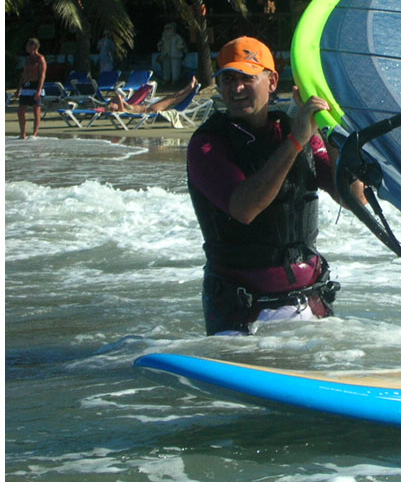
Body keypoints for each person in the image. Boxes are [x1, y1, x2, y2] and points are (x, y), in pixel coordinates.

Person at [186, 36, 364, 335]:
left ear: (271, 82)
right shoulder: (208, 145)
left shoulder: (296, 131)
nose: (236, 88)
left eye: (247, 78)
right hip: (242, 309)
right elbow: (245, 208)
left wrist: (330, 131)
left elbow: (354, 200)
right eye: (228, 79)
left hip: (309, 300)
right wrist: (295, 141)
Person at [106, 76, 197, 113]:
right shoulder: (121, 110)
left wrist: (112, 101)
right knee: (172, 100)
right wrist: (115, 101)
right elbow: (119, 97)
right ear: (113, 108)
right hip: (151, 109)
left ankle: (188, 88)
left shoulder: (125, 106)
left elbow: (119, 99)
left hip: (150, 106)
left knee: (170, 97)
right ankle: (190, 90)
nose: (114, 104)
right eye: (112, 105)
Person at [14, 37, 47, 139]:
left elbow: (42, 75)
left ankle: (34, 134)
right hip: (26, 85)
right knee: (21, 111)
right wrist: (18, 89)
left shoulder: (40, 58)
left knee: (36, 110)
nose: (26, 47)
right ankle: (22, 133)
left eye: (28, 45)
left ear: (33, 46)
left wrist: (38, 90)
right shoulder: (28, 59)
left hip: (36, 85)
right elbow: (24, 74)